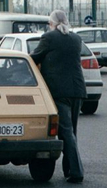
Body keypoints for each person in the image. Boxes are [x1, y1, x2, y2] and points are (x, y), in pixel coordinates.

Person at [30, 10, 86, 183]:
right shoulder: (76, 39)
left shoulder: (49, 38)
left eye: (49, 23)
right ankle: (69, 169)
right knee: (72, 132)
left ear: (51, 23)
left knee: (66, 133)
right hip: (77, 90)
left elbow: (34, 57)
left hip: (59, 91)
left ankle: (76, 172)